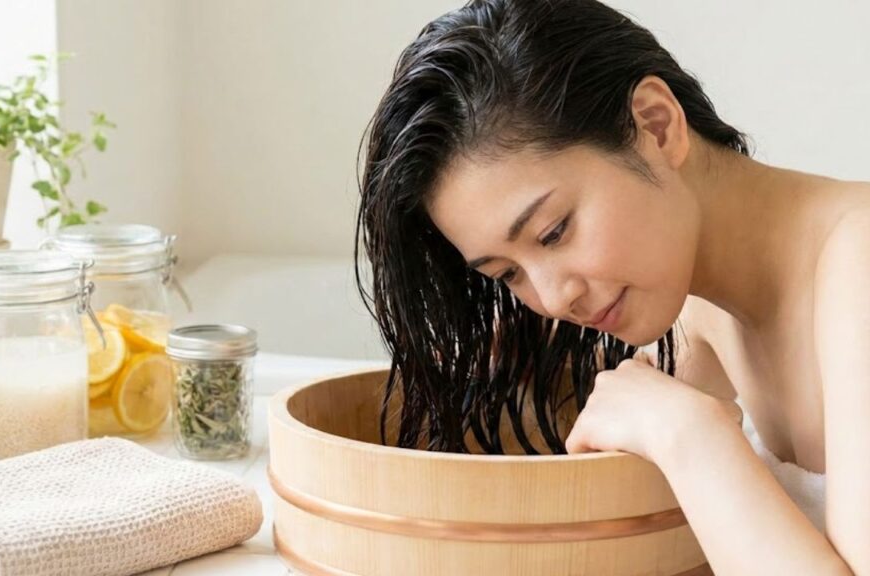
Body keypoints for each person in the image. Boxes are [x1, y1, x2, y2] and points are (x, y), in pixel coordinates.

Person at [354, 0, 869, 573]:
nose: (551, 300)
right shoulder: (699, 314)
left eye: (553, 233)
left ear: (656, 125)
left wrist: (687, 433)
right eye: (508, 274)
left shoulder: (861, 256)